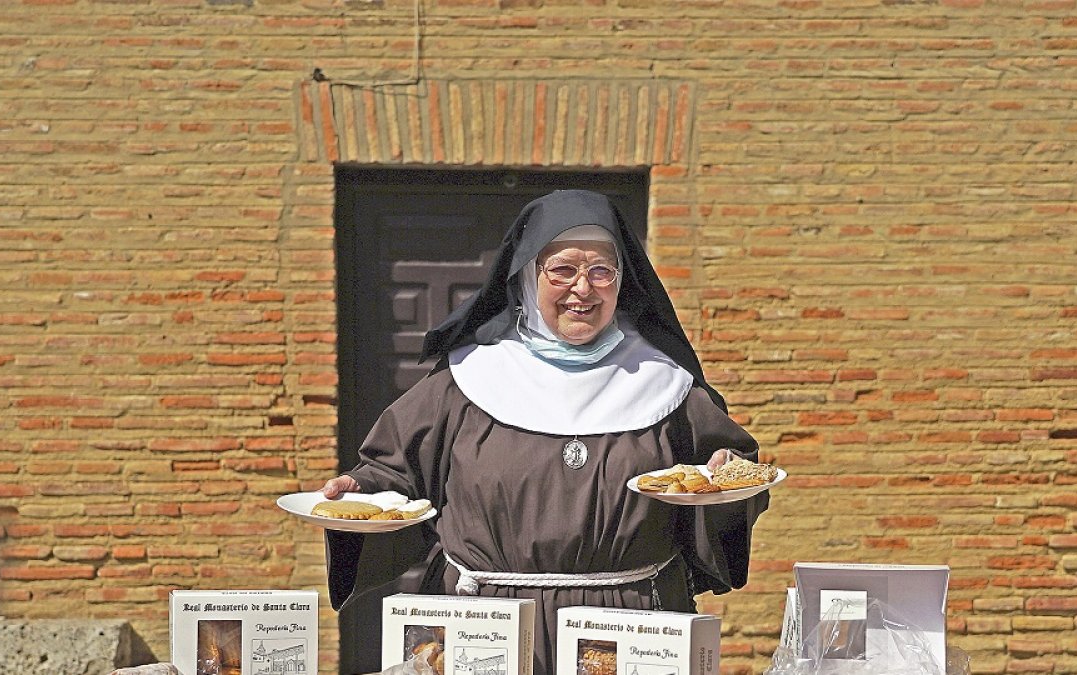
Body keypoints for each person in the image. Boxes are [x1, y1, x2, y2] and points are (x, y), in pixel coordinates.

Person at [320, 189, 769, 674]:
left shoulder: (665, 382)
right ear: (526, 278)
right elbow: (395, 477)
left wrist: (725, 480)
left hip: (631, 628)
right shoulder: (466, 380)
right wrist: (359, 492)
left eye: (602, 271)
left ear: (623, 283)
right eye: (562, 270)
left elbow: (729, 473)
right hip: (485, 628)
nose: (583, 289)